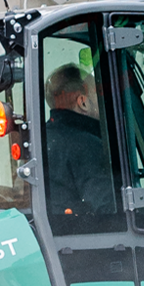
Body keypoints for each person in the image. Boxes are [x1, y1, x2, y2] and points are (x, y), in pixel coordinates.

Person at [43, 64, 118, 234]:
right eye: (99, 94)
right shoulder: (88, 147)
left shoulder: (42, 140)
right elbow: (111, 212)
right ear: (83, 102)